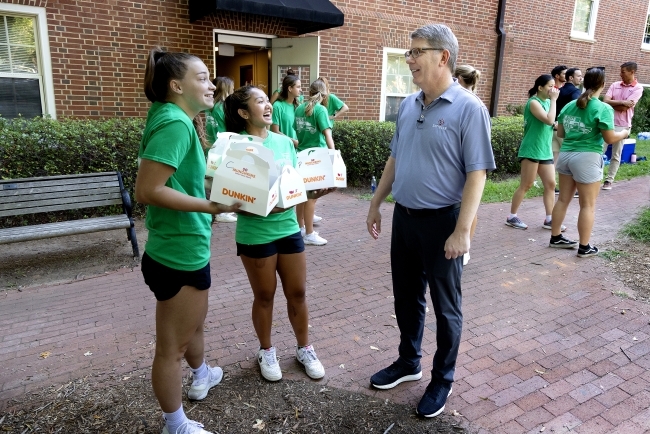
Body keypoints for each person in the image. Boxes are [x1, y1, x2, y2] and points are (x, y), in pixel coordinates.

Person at [366, 24, 495, 418]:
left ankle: (443, 378)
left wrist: (462, 230)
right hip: (405, 219)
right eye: (409, 52)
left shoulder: (470, 108)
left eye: (417, 52)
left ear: (443, 57)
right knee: (405, 296)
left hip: (443, 223)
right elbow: (395, 158)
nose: (410, 59)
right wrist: (376, 202)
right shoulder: (408, 105)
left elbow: (478, 174)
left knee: (446, 306)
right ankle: (409, 362)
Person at [135, 47, 241, 434]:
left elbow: (179, 179)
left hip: (175, 245)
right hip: (179, 250)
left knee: (193, 322)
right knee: (171, 347)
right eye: (202, 77)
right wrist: (211, 207)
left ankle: (203, 373)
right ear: (176, 85)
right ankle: (175, 425)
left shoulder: (173, 116)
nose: (211, 84)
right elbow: (147, 189)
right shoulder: (176, 123)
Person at [223, 85, 332, 382]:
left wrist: (314, 189)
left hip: (287, 228)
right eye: (259, 102)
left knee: (297, 292)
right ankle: (266, 350)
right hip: (255, 233)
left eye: (266, 100)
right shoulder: (236, 146)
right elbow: (230, 199)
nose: (267, 105)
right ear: (244, 113)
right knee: (265, 296)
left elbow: (295, 186)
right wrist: (256, 207)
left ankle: (304, 348)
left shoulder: (285, 143)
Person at [550, 67, 630, 257]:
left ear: (585, 83)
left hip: (566, 155)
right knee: (588, 205)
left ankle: (556, 237)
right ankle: (584, 247)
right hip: (587, 158)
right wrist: (624, 133)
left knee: (562, 199)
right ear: (602, 85)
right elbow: (610, 138)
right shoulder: (602, 108)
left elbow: (560, 133)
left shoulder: (570, 106)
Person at [506, 74, 564, 231]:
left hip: (545, 150)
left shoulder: (546, 103)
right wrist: (554, 101)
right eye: (550, 86)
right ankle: (511, 216)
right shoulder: (534, 102)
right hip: (531, 149)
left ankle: (549, 219)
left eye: (555, 86)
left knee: (551, 184)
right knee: (527, 184)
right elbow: (549, 120)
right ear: (540, 87)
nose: (554, 89)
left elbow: (551, 123)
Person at [294, 79, 335, 246]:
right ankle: (310, 234)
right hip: (317, 158)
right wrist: (333, 158)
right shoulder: (320, 110)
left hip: (301, 156)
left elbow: (297, 132)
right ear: (324, 94)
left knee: (302, 196)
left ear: (309, 92)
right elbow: (327, 136)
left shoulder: (298, 109)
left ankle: (300, 228)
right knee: (312, 198)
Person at [454, 64, 481, 265]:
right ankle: (467, 247)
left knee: (465, 207)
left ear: (459, 80)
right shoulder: (477, 103)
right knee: (471, 208)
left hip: (464, 166)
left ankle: (464, 246)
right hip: (470, 164)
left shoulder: (468, 104)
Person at [602, 62, 643, 190]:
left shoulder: (638, 88)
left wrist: (617, 104)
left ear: (632, 72)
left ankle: (609, 180)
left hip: (623, 125)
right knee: (598, 151)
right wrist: (621, 102)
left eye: (623, 71)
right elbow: (605, 101)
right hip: (607, 122)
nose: (620, 74)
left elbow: (625, 108)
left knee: (616, 154)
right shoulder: (615, 85)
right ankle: (596, 177)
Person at [205, 76, 238, 223]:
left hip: (211, 146)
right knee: (222, 178)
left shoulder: (210, 107)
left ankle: (218, 209)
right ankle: (221, 211)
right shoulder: (223, 107)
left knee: (215, 177)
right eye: (232, 88)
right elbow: (227, 129)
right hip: (222, 147)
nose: (233, 90)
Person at [554, 68, 583, 163]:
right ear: (571, 78)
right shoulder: (575, 91)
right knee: (571, 157)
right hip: (565, 128)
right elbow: (578, 105)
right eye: (578, 76)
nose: (581, 78)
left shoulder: (558, 91)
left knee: (554, 158)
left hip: (553, 127)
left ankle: (550, 178)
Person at [270, 74, 301, 148]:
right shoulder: (277, 106)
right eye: (298, 87)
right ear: (290, 88)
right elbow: (275, 132)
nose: (301, 89)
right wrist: (294, 142)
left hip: (297, 149)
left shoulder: (298, 106)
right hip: (282, 148)